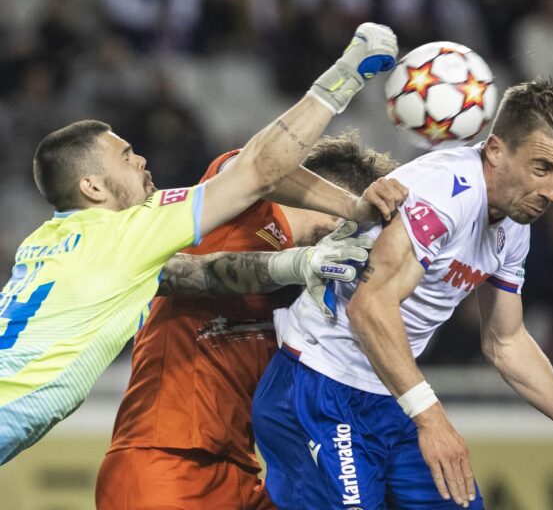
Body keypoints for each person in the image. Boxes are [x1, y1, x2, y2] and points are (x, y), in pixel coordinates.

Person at [0, 22, 399, 465]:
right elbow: (257, 168)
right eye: (126, 156)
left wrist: (299, 264)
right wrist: (347, 73)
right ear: (92, 187)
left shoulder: (48, 240)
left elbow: (190, 274)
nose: (141, 159)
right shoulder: (125, 232)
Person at [252, 79, 553, 509]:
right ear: (495, 151)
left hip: (390, 393)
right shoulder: (443, 194)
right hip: (318, 386)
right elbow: (370, 306)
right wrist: (431, 419)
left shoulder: (513, 223)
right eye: (541, 168)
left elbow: (505, 341)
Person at [95, 133, 399, 509]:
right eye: (367, 227)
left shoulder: (313, 291)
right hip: (164, 458)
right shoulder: (238, 208)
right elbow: (258, 163)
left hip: (241, 473)